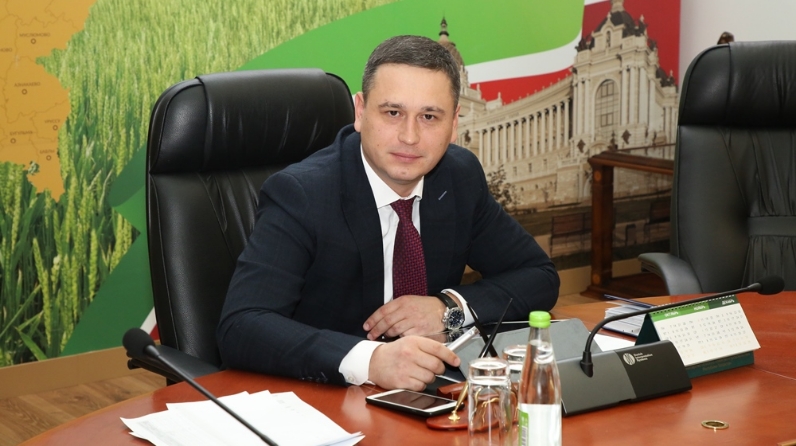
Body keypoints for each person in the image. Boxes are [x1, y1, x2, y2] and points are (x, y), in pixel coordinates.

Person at [217, 35, 559, 391]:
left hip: (428, 395)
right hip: (326, 396)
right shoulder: (302, 194)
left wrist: (448, 310)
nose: (409, 136)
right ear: (360, 112)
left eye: (429, 116)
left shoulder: (458, 177)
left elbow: (538, 276)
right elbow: (241, 325)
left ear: (455, 123)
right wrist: (371, 360)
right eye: (393, 113)